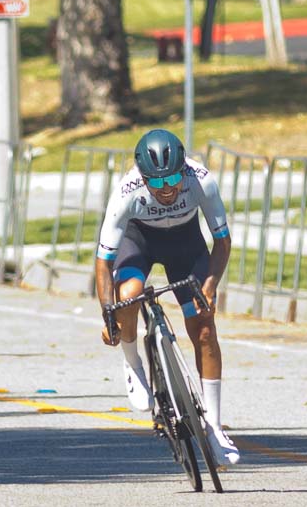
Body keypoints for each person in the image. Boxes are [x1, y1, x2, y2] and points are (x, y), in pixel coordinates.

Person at [95, 129, 239, 466]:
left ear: (183, 169)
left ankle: (215, 428)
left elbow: (222, 241)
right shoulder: (127, 192)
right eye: (157, 182)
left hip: (185, 244)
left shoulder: (200, 179)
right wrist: (108, 315)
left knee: (204, 326)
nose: (167, 188)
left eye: (174, 178)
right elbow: (103, 262)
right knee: (128, 296)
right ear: (143, 177)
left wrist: (210, 285)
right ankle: (133, 366)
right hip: (139, 241)